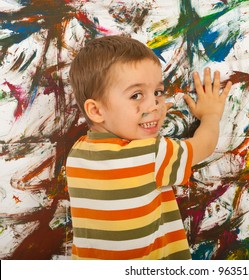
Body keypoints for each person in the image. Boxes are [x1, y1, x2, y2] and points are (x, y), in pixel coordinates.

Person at [65, 35, 232, 260]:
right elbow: (204, 145)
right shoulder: (150, 155)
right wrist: (211, 114)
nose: (153, 105)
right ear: (96, 111)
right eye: (136, 95)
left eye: (157, 93)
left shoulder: (77, 155)